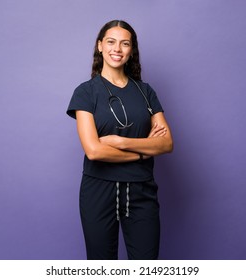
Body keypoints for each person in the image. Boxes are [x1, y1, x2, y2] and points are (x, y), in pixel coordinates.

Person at [66, 20, 173, 260]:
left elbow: (166, 143)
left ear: (131, 50)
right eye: (111, 42)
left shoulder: (145, 91)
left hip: (142, 190)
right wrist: (145, 150)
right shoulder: (85, 92)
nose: (118, 49)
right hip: (98, 191)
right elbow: (94, 151)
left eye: (125, 43)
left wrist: (121, 141)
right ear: (100, 46)